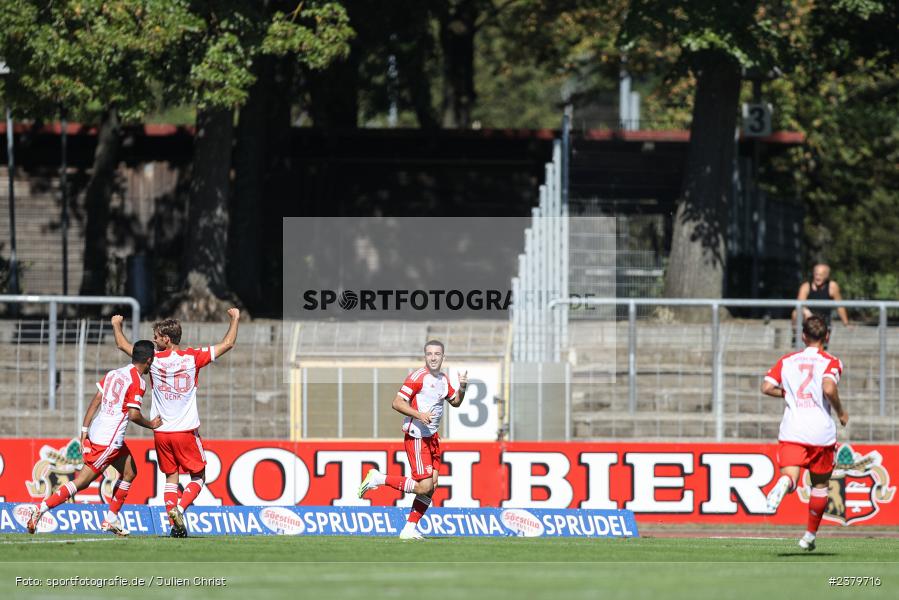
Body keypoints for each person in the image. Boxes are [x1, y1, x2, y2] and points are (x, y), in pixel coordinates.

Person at [111, 308, 240, 537]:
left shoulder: (153, 360)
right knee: (199, 477)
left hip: (161, 431)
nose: (153, 340)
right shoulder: (193, 357)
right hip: (186, 431)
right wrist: (235, 319)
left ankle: (174, 525)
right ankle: (179, 509)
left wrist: (116, 325)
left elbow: (123, 345)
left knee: (171, 478)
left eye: (156, 337)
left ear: (166, 339)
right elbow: (228, 343)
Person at [26, 340, 162, 536]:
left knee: (130, 472)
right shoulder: (138, 382)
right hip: (108, 441)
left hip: (100, 433)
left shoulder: (114, 373)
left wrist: (84, 430)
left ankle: (111, 519)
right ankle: (40, 509)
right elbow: (133, 414)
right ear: (149, 360)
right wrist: (151, 424)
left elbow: (96, 400)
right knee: (82, 482)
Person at [357, 340, 467, 540]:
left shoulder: (443, 379)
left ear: (444, 357)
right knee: (424, 486)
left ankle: (409, 529)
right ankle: (378, 478)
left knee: (432, 485)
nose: (433, 357)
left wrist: (463, 387)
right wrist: (418, 414)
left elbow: (456, 402)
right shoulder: (417, 377)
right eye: (429, 354)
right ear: (425, 356)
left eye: (437, 354)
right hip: (417, 437)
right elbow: (396, 402)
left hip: (432, 438)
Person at [761, 315, 849, 551]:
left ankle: (783, 484)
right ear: (827, 337)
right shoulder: (831, 362)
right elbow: (829, 387)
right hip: (821, 432)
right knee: (820, 486)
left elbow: (766, 386)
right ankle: (809, 535)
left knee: (790, 476)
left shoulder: (787, 360)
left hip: (793, 429)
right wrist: (841, 411)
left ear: (802, 336)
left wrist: (788, 395)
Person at [793, 263, 850, 331]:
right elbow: (800, 305)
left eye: (821, 275)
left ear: (827, 276)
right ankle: (796, 338)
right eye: (816, 274)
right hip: (809, 320)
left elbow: (840, 306)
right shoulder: (806, 286)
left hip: (824, 321)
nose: (818, 277)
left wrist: (846, 323)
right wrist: (807, 313)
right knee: (795, 313)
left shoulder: (832, 286)